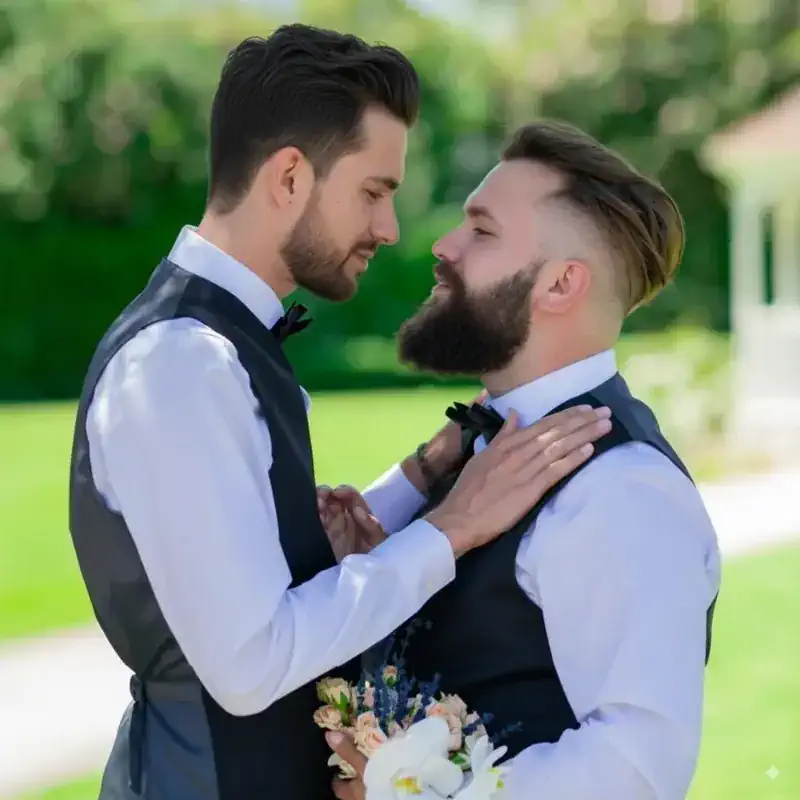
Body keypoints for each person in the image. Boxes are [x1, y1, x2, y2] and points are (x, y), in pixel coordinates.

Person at [67, 26, 611, 800]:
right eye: (374, 192)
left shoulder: (213, 345)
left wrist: (423, 474)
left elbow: (252, 568)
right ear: (289, 176)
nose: (390, 229)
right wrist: (453, 528)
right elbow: (252, 664)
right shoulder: (178, 365)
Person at [321, 120, 721, 800]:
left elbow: (638, 766)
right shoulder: (476, 445)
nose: (443, 247)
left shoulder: (622, 489)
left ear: (561, 284)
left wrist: (410, 794)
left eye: (481, 232)